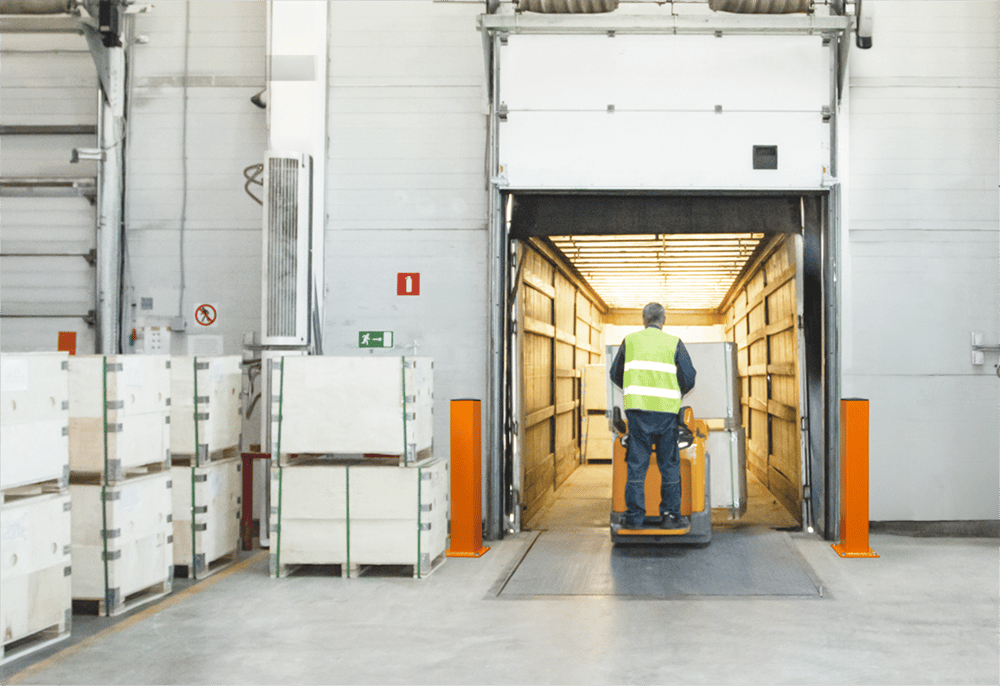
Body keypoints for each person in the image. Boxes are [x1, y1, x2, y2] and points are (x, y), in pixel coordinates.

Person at [609, 302, 696, 530]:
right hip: (666, 414)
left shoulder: (630, 341)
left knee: (637, 465)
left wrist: (633, 387)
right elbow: (689, 376)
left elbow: (615, 374)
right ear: (663, 320)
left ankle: (635, 518)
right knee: (669, 464)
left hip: (638, 413)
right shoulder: (673, 343)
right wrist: (675, 392)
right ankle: (669, 516)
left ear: (643, 320)